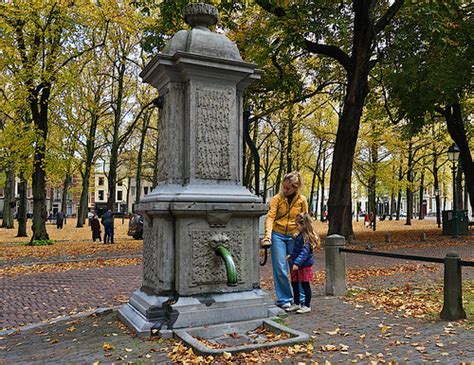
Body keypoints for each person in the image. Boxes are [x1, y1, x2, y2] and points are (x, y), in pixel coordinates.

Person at [261, 171, 308, 309]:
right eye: (283, 187)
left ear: (296, 187)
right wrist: (268, 236)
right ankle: (284, 299)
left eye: (288, 188)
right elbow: (270, 217)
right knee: (280, 267)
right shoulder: (276, 199)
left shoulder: (302, 200)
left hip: (294, 236)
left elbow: (305, 219)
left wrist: (300, 233)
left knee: (296, 266)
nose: (285, 190)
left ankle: (301, 298)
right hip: (278, 235)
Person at [285, 213, 319, 314]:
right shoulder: (300, 236)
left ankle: (307, 305)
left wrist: (297, 263)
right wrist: (291, 256)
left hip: (304, 266)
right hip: (297, 264)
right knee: (294, 283)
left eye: (297, 225)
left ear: (303, 225)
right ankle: (297, 303)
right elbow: (297, 250)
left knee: (305, 284)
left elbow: (304, 253)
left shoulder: (306, 238)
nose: (296, 227)